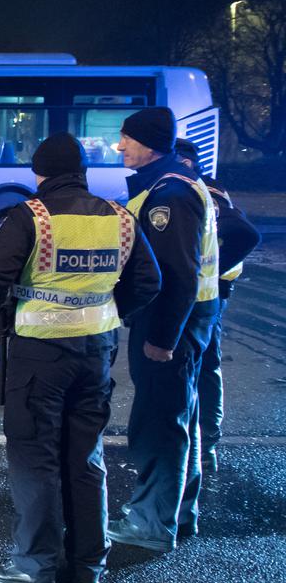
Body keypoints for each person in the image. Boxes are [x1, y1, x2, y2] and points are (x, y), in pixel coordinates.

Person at [0, 133, 160, 583]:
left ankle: (35, 568)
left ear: (40, 173)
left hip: (40, 357)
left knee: (36, 460)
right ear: (81, 171)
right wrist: (111, 313)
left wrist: (0, 320)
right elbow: (147, 282)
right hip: (95, 354)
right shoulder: (120, 218)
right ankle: (87, 572)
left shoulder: (30, 216)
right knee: (85, 460)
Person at [107, 107, 220, 554]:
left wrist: (163, 340)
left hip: (170, 323)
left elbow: (178, 274)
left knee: (159, 422)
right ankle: (178, 513)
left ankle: (152, 522)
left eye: (127, 139)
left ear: (151, 143)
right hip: (187, 320)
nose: (120, 146)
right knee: (179, 416)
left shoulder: (168, 195)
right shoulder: (172, 184)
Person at [173, 138, 261, 473]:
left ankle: (203, 445)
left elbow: (243, 232)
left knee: (201, 366)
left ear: (184, 163)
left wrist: (208, 274)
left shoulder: (202, 190)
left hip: (206, 295)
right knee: (204, 366)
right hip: (209, 291)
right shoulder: (203, 187)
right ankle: (203, 445)